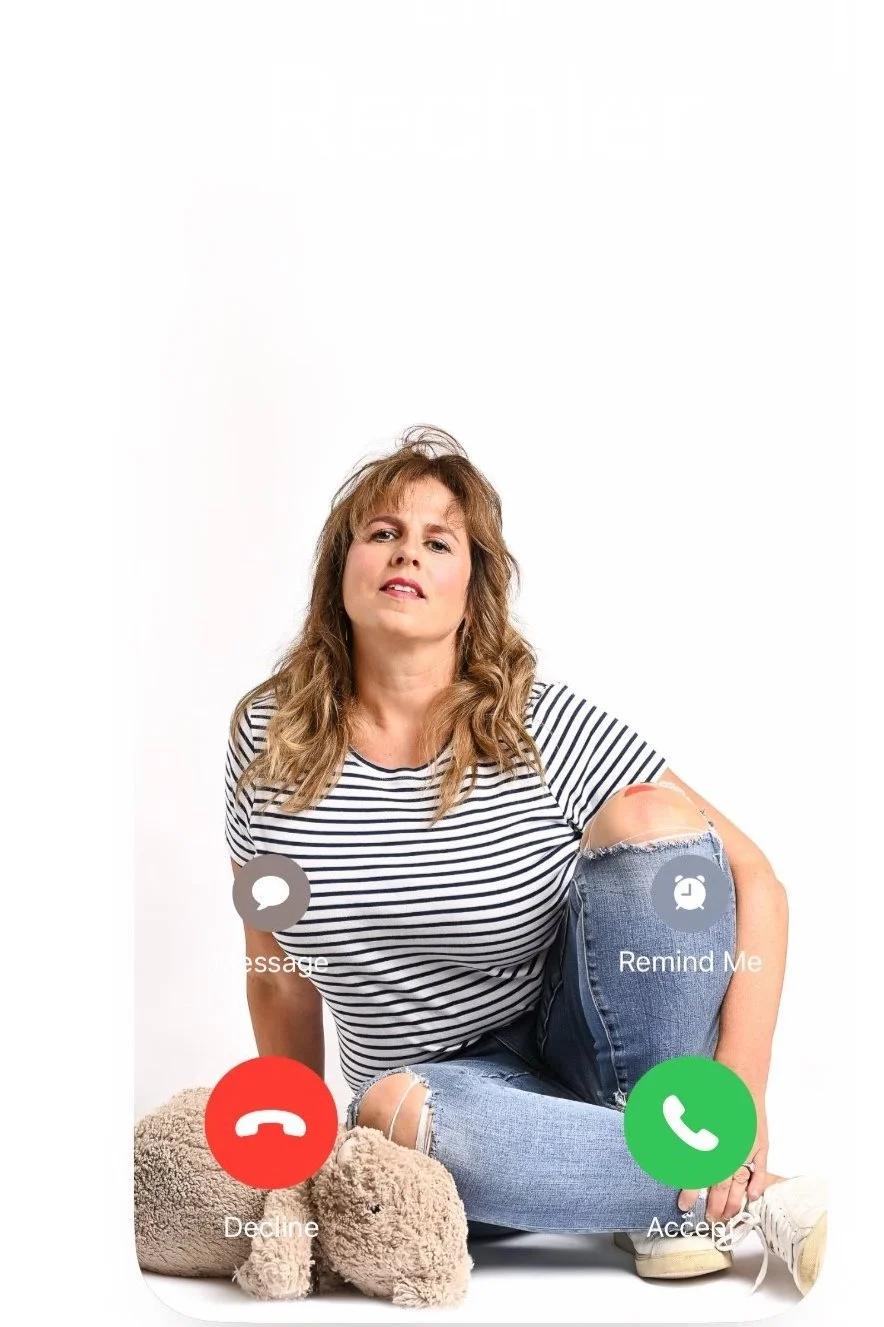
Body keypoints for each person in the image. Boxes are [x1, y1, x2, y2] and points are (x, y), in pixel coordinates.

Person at [225, 425, 826, 1295]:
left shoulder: (539, 724)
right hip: (443, 1098)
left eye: (439, 541)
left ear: (472, 593)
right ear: (340, 573)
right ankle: (719, 1196)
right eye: (383, 532)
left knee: (656, 820)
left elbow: (755, 877)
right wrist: (291, 1160)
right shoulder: (267, 739)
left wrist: (743, 1086)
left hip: (587, 1050)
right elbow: (277, 973)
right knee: (390, 1113)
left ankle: (665, 1169)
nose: (408, 553)